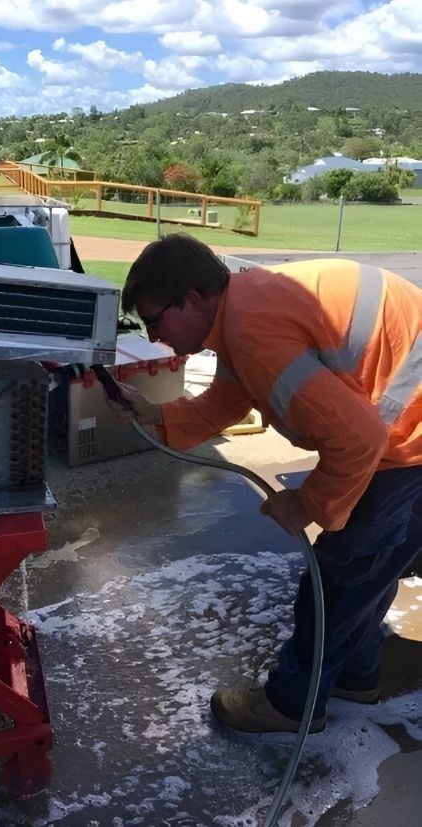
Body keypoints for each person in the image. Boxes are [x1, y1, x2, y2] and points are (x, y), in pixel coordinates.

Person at [111, 233, 421, 734]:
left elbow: (358, 438)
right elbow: (227, 400)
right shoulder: (244, 312)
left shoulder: (253, 329)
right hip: (408, 432)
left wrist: (307, 503)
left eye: (155, 319)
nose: (154, 336)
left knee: (340, 575)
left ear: (193, 298)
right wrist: (155, 414)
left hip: (409, 442)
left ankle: (293, 705)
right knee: (369, 569)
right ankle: (355, 676)